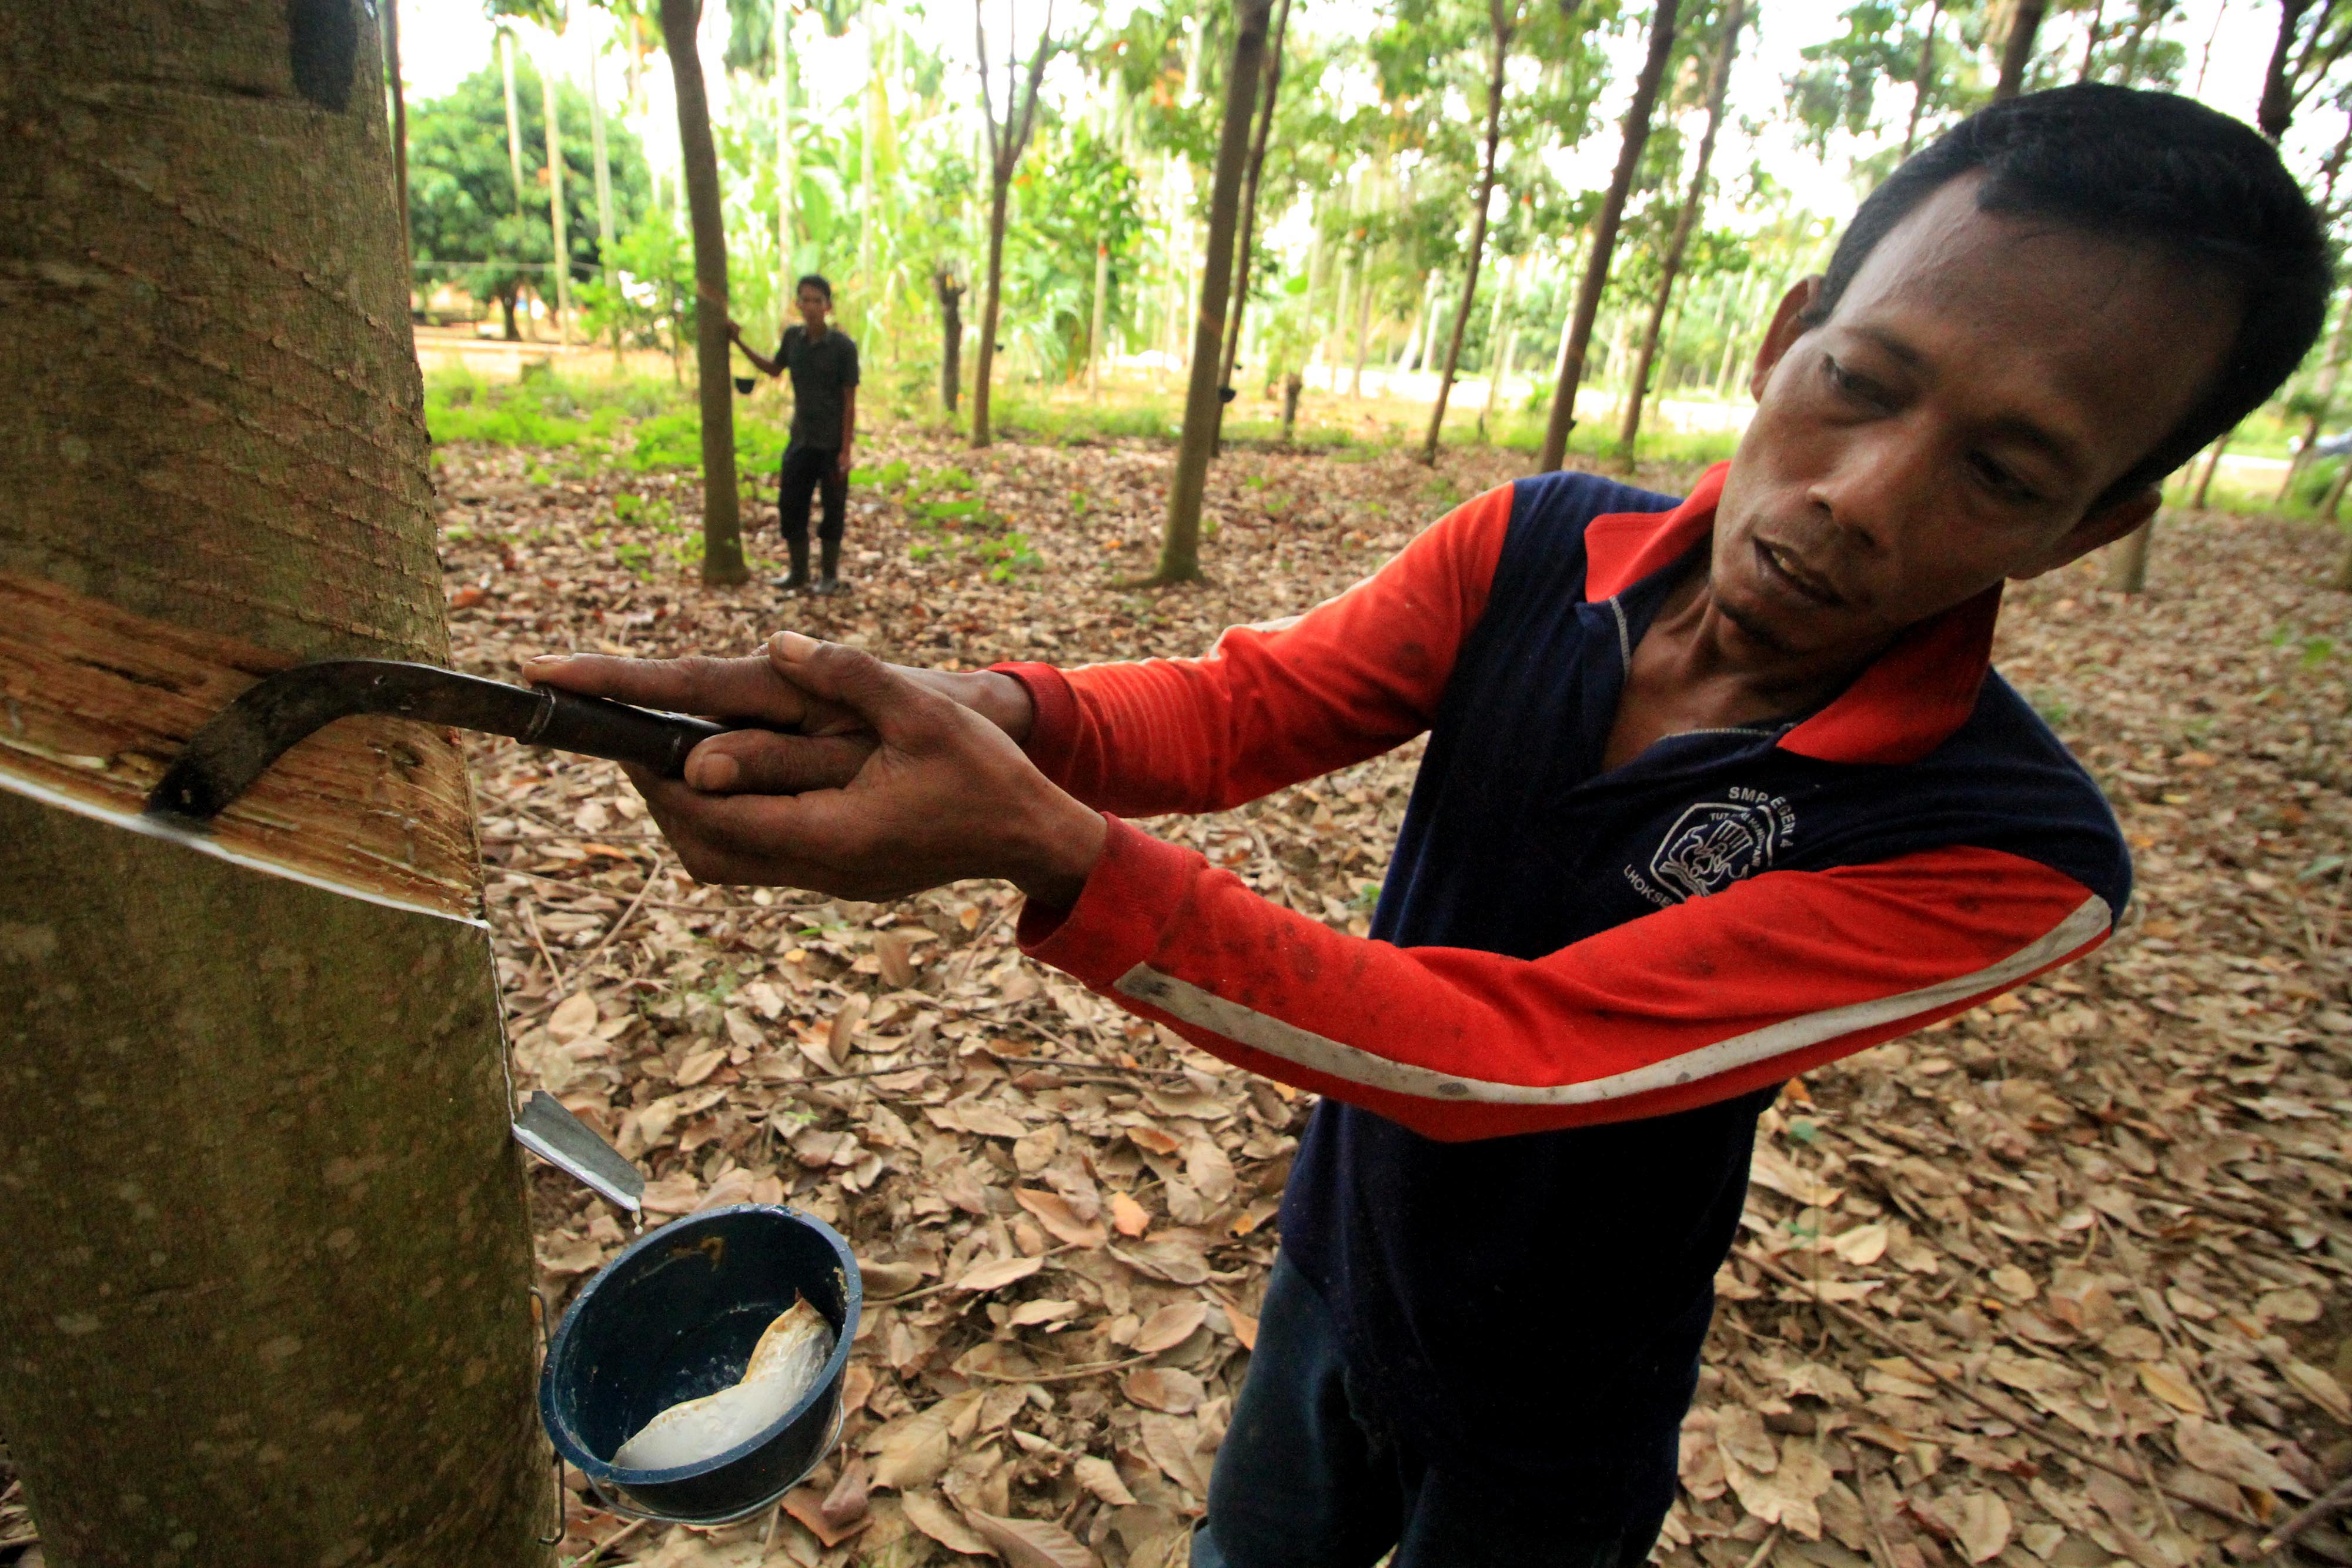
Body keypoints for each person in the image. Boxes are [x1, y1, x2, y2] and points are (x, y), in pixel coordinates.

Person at [531, 87, 2328, 1566]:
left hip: (1564, 1390)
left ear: (2084, 529)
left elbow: (1514, 1055)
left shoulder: (2007, 851)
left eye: (2003, 474)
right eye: (1861, 380)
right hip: (1342, 1250)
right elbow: (1243, 707)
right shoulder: (1534, 545)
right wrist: (982, 713)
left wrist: (1050, 852)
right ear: (1789, 336)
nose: (1859, 497)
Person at [730, 275, 860, 596]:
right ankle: (798, 573)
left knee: (833, 511)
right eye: (805, 299)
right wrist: (738, 342)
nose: (811, 306)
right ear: (798, 304)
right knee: (791, 506)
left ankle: (828, 576)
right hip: (801, 440)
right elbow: (774, 369)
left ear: (828, 306)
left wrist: (846, 449)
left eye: (817, 300)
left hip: (830, 445)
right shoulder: (793, 340)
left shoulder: (843, 348)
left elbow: (850, 401)